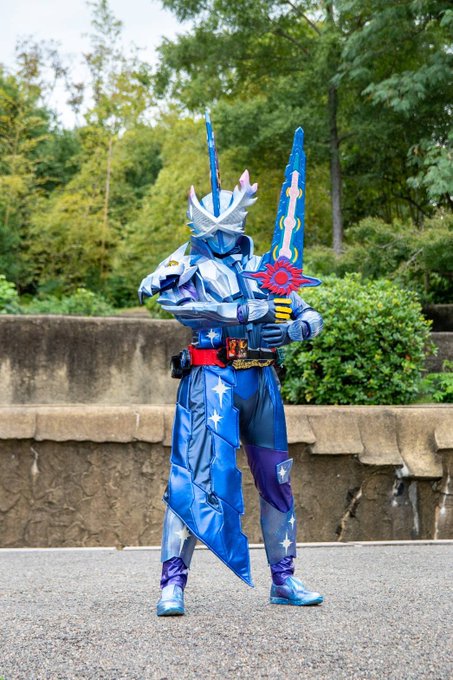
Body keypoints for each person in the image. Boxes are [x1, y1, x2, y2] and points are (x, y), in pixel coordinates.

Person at [138, 117, 324, 616]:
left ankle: (284, 578)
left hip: (260, 382)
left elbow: (311, 315)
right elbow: (171, 302)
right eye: (211, 228)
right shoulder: (187, 266)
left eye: (227, 227)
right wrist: (242, 312)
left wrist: (292, 330)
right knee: (193, 480)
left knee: (277, 478)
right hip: (210, 381)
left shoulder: (268, 269)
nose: (220, 236)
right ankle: (172, 584)